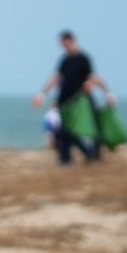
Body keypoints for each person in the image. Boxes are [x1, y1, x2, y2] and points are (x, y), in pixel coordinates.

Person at [33, 31, 113, 165]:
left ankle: (92, 154)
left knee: (87, 129)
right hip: (65, 102)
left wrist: (108, 92)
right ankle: (67, 159)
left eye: (66, 43)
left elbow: (92, 78)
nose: (64, 46)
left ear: (72, 41)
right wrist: (43, 94)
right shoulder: (65, 60)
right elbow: (57, 78)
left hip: (80, 102)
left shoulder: (83, 59)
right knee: (64, 132)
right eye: (62, 44)